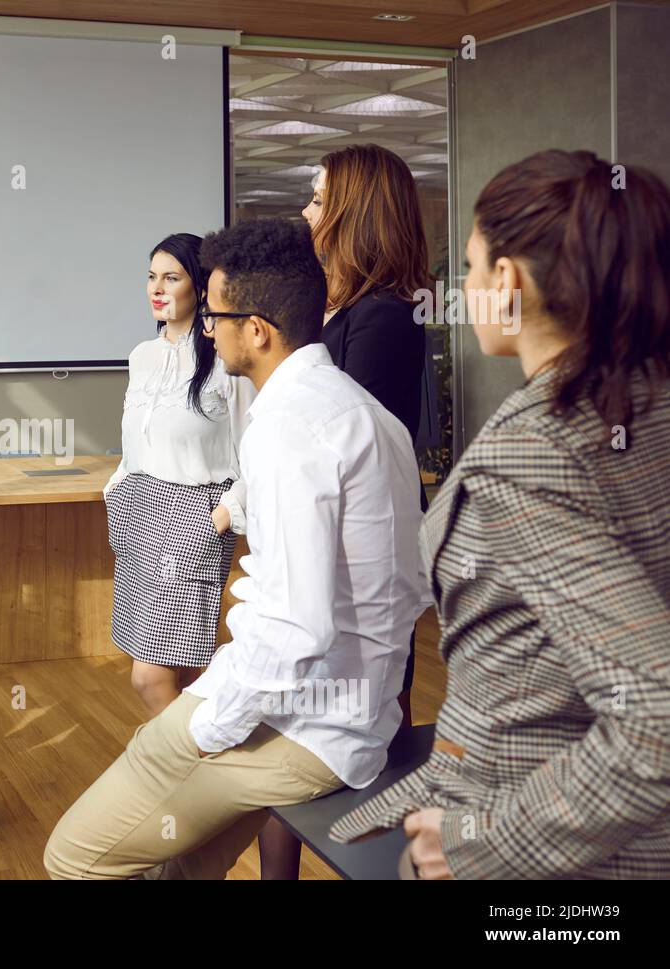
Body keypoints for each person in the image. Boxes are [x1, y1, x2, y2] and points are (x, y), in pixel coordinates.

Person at [45, 218, 425, 879]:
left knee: (71, 857)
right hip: (354, 715)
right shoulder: (368, 414)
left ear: (258, 331)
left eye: (216, 314)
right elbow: (410, 585)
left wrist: (206, 729)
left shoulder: (286, 428)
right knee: (183, 867)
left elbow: (293, 628)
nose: (207, 328)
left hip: (308, 733)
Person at [330, 150, 670, 879]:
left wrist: (481, 839)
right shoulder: (649, 400)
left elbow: (655, 718)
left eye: (473, 267)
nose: (464, 286)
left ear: (508, 282)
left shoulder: (533, 455)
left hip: (549, 842)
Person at [257, 143, 432, 879]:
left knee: (348, 742)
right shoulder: (343, 314)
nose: (306, 212)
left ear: (354, 216)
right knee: (292, 737)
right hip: (324, 564)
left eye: (321, 199)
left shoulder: (382, 321)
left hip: (360, 577)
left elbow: (338, 444)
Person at [104, 233, 254, 716]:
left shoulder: (226, 361)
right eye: (152, 277)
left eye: (172, 277)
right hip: (140, 513)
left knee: (149, 677)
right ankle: (212, 770)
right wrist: (117, 493)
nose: (157, 288)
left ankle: (179, 772)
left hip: (196, 514)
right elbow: (135, 446)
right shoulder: (141, 356)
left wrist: (222, 515)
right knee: (185, 668)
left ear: (201, 286)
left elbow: (257, 450)